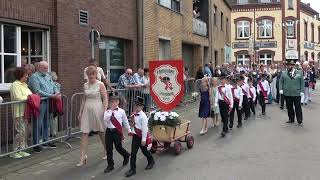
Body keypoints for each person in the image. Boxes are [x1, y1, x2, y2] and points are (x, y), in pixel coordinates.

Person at [77, 66, 108, 167]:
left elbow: (105, 98)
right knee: (84, 133)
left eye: (92, 74)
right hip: (87, 109)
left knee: (101, 132)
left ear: (96, 74)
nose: (91, 76)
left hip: (98, 109)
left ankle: (107, 150)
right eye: (89, 74)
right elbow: (83, 99)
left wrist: (104, 110)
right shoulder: (85, 85)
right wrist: (80, 112)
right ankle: (82, 157)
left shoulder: (100, 84)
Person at [28, 61, 60, 153]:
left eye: (47, 68)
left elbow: (54, 85)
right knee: (38, 123)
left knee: (47, 122)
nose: (46, 70)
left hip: (48, 101)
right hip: (40, 102)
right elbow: (37, 91)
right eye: (44, 68)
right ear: (38, 68)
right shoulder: (34, 77)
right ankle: (36, 144)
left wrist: (57, 92)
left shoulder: (48, 76)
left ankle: (46, 141)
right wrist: (52, 96)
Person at [125, 96, 155, 177]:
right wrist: (131, 127)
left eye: (138, 105)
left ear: (142, 107)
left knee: (145, 151)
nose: (136, 107)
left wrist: (144, 139)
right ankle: (132, 169)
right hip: (135, 136)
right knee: (133, 153)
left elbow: (145, 128)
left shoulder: (143, 116)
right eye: (135, 105)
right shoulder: (133, 114)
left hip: (142, 136)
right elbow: (133, 124)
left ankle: (151, 161)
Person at [103, 91, 131, 173]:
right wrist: (110, 112)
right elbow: (105, 120)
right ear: (109, 102)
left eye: (116, 101)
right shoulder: (107, 112)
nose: (114, 103)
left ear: (118, 101)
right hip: (109, 131)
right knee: (109, 149)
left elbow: (125, 122)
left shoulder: (121, 111)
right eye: (112, 101)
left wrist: (129, 130)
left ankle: (126, 155)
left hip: (117, 132)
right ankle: (110, 165)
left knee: (118, 148)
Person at [9, 67, 32, 158]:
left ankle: (21, 150)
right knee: (20, 131)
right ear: (20, 75)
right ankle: (14, 152)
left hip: (25, 111)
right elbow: (18, 97)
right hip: (18, 112)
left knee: (24, 131)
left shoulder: (24, 84)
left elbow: (30, 94)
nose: (27, 76)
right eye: (26, 74)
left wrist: (29, 97)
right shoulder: (15, 85)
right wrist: (29, 98)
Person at [279, 59, 304, 125]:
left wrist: (302, 91)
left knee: (298, 107)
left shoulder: (299, 72)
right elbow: (281, 82)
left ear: (294, 66)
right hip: (287, 93)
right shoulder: (284, 73)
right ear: (287, 66)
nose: (290, 66)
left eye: (291, 65)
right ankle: (291, 118)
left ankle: (299, 119)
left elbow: (302, 82)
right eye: (288, 65)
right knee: (289, 107)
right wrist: (281, 89)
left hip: (296, 93)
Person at [48, 71, 61, 137]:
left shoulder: (55, 84)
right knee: (53, 118)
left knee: (51, 118)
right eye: (55, 74)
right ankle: (53, 132)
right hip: (54, 103)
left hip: (52, 103)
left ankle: (51, 133)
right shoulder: (57, 84)